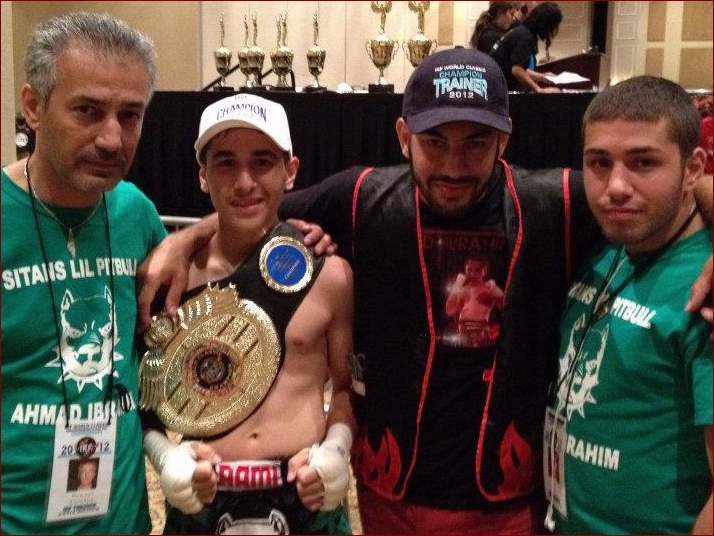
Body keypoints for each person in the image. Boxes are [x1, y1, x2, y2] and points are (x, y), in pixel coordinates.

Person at [135, 49, 713, 534]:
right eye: (435, 142)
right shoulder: (361, 195)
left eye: (475, 143)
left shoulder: (558, 202)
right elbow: (250, 209)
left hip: (505, 507)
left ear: (505, 139)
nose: (454, 165)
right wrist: (181, 242)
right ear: (403, 137)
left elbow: (675, 188)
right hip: (389, 496)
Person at [0, 12, 330, 535]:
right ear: (34, 106)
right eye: (88, 110)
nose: (112, 139)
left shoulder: (136, 214)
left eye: (130, 115)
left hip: (123, 520)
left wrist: (188, 235)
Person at [140, 93, 357, 534]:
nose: (244, 182)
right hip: (203, 493)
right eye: (225, 163)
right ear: (203, 175)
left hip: (304, 493)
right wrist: (165, 458)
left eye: (262, 162)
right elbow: (143, 397)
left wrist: (336, 450)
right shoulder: (171, 280)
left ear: (289, 172)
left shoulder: (330, 275)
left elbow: (346, 389)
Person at [543, 76, 713, 535]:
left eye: (643, 162)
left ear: (693, 169)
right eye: (600, 162)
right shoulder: (607, 247)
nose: (616, 186)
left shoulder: (704, 291)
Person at [490, 1, 562, 93]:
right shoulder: (525, 36)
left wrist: (541, 76)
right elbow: (517, 70)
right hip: (497, 87)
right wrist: (539, 89)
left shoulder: (522, 31)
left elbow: (517, 66)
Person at [445, 257, 505, 347]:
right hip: (462, 335)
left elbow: (505, 307)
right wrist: (457, 286)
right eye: (469, 269)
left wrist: (494, 294)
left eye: (478, 270)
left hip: (483, 336)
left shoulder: (489, 288)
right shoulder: (460, 289)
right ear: (465, 269)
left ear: (484, 271)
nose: (473, 274)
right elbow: (449, 311)